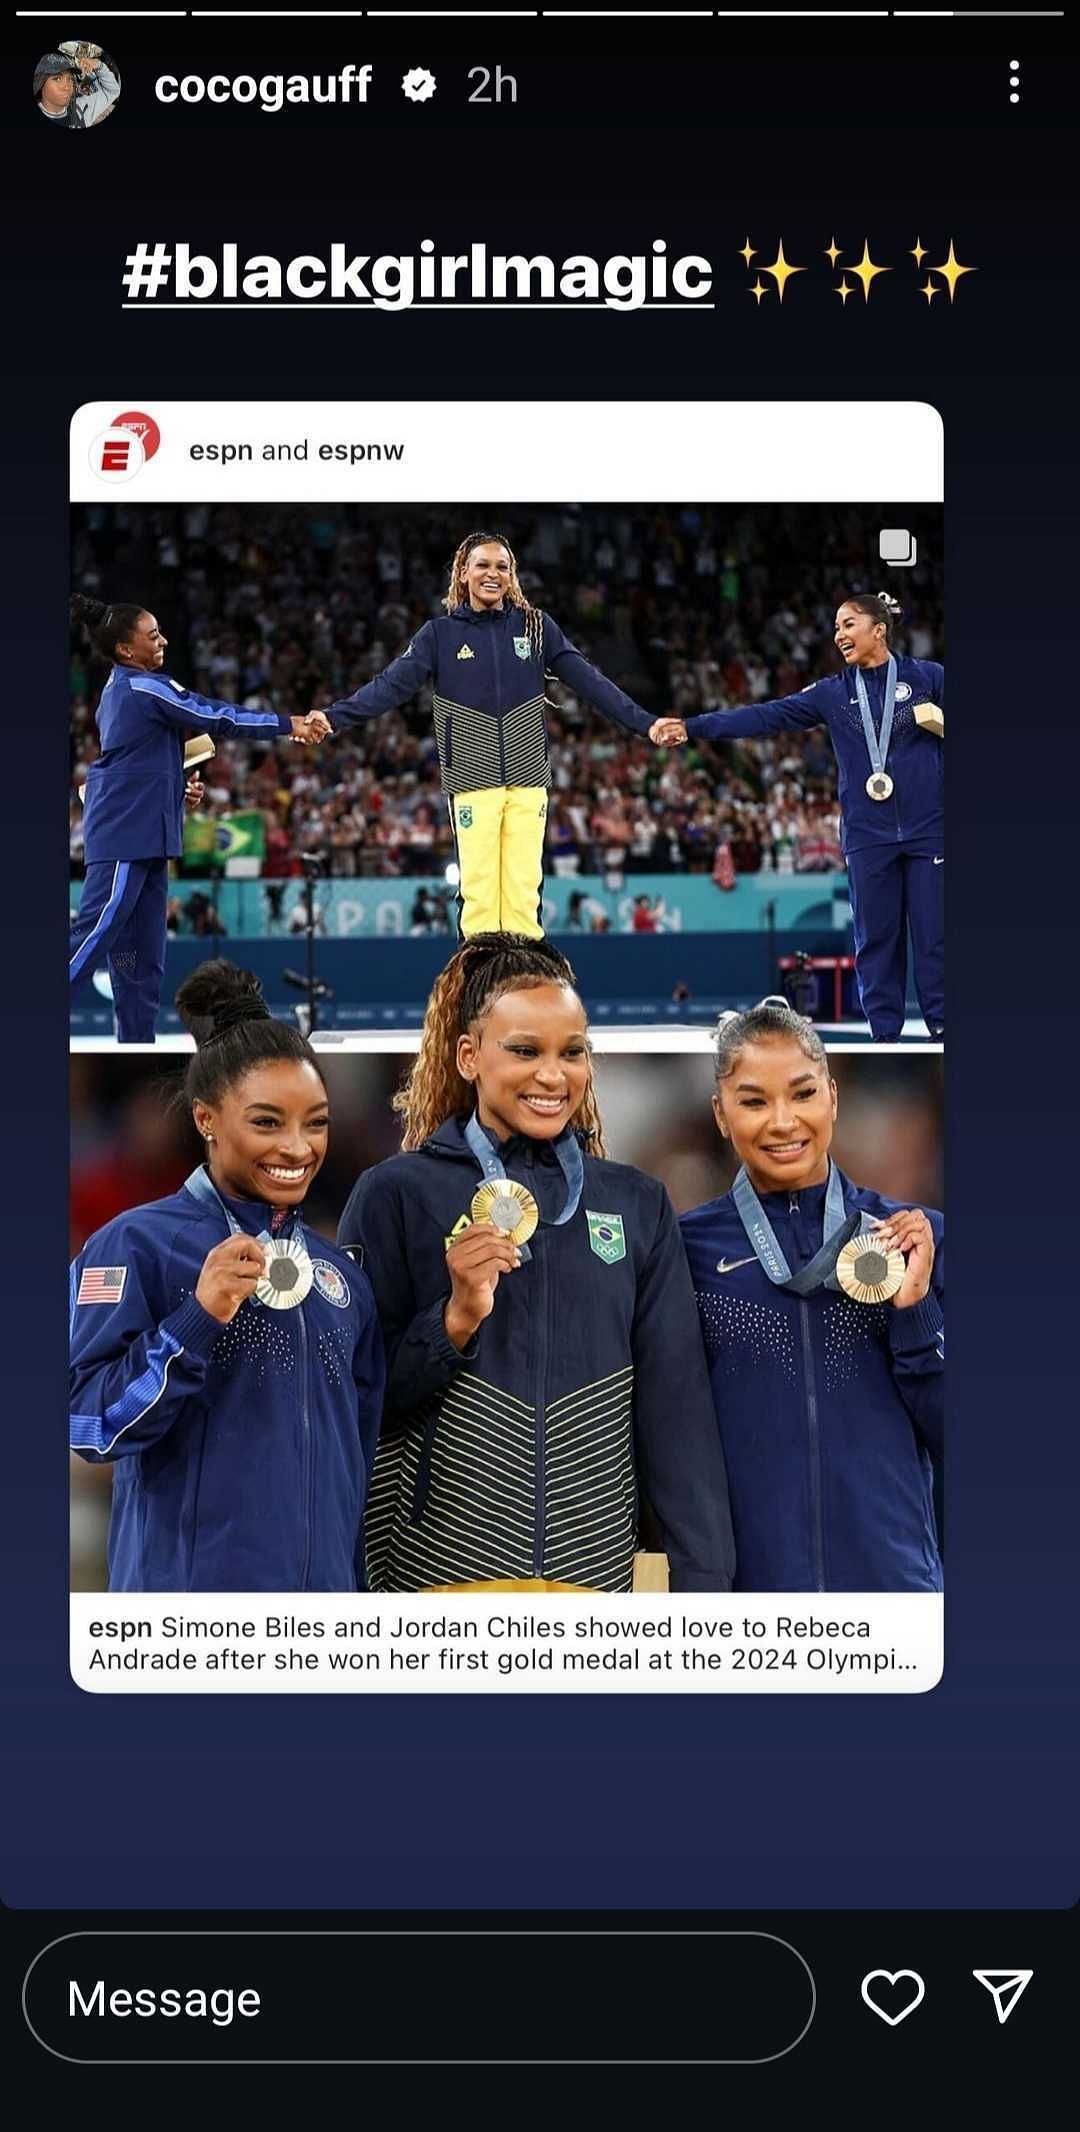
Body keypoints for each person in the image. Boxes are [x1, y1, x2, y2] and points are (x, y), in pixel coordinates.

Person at [337, 933, 735, 1593]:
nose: (553, 1076)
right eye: (525, 1050)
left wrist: (706, 1596)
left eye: (571, 1052)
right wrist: (453, 1321)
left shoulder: (635, 1205)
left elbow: (678, 1417)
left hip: (591, 1593)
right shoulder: (396, 1195)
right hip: (432, 1589)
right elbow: (351, 1405)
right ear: (469, 1055)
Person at [70, 962, 384, 1592]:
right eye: (267, 1122)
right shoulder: (136, 1246)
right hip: (191, 1628)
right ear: (207, 1118)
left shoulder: (341, 1279)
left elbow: (364, 1462)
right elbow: (89, 1425)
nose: (297, 1148)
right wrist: (196, 1320)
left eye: (315, 1122)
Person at [680, 998, 943, 1592]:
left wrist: (916, 1314)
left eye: (802, 1094)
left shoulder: (916, 1238)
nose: (782, 1121)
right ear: (721, 1115)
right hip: (754, 1611)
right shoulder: (683, 1252)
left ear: (833, 1096)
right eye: (753, 1101)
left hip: (893, 1596)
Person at [305, 532, 679, 939]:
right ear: (463, 573)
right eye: (482, 565)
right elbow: (388, 686)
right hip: (471, 779)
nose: (492, 573)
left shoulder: (537, 629)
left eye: (502, 566)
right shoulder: (439, 635)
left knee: (523, 889)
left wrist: (646, 723)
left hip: (529, 777)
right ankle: (480, 975)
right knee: (480, 892)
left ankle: (525, 972)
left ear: (512, 576)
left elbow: (591, 682)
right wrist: (334, 717)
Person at [654, 593, 944, 1041]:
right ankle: (885, 1034)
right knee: (876, 940)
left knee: (934, 936)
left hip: (929, 831)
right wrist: (693, 726)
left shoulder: (928, 678)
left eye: (849, 624)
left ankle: (943, 1027)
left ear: (879, 629)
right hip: (868, 834)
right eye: (836, 627)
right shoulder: (833, 693)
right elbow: (765, 717)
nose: (839, 635)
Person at [69, 595, 324, 1042]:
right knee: (98, 929)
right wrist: (288, 724)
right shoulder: (144, 688)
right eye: (153, 635)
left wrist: (173, 789)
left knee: (139, 958)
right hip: (124, 834)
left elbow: (134, 759)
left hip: (147, 835)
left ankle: (134, 1046)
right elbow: (216, 715)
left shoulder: (119, 689)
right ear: (127, 650)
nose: (163, 639)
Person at [35, 46, 120, 127]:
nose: (67, 87)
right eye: (57, 78)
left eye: (70, 79)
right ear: (40, 83)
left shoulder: (81, 108)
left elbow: (112, 91)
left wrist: (99, 66)